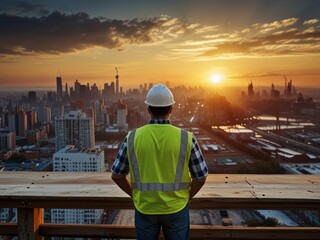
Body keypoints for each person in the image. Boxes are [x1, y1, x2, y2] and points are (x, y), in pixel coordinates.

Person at [111, 84, 208, 240]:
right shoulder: (186, 138)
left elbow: (117, 175)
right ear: (171, 109)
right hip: (176, 208)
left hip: (145, 208)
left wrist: (135, 194)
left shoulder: (132, 137)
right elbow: (201, 177)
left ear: (148, 109)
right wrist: (187, 197)